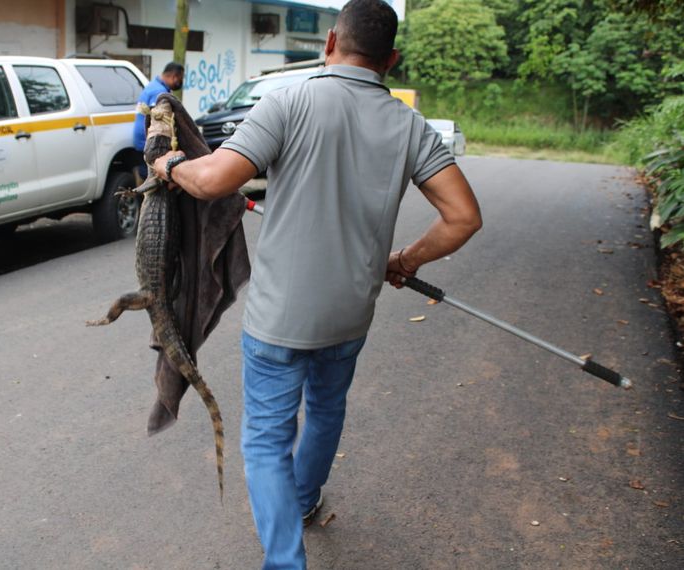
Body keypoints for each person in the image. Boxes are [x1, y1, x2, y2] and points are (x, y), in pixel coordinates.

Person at [152, 0, 482, 567]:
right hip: (350, 315)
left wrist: (168, 166)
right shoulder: (409, 126)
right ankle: (304, 500)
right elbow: (463, 217)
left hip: (280, 320)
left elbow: (212, 181)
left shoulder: (288, 101)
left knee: (264, 441)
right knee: (327, 410)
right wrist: (405, 260)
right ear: (392, 60)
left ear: (330, 42)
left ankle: (286, 561)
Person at [133, 61, 184, 173]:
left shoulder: (153, 85)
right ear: (173, 76)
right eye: (180, 78)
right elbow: (158, 121)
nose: (181, 82)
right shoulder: (159, 92)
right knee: (152, 177)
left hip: (142, 140)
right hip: (147, 143)